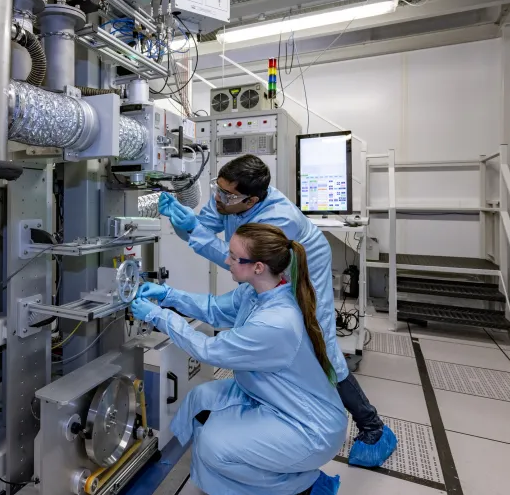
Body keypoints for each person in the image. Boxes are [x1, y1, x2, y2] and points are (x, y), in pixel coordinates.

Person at [157, 155, 396, 468]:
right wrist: (182, 220)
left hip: (304, 269)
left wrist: (196, 234)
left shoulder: (278, 217)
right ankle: (276, 396)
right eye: (218, 189)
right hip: (263, 270)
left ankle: (372, 426)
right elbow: (208, 234)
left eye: (226, 194)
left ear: (252, 199)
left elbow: (232, 258)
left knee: (320, 342)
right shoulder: (229, 198)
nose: (218, 198)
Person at [130, 223, 344, 495]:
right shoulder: (258, 291)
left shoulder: (276, 323)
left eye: (234, 257)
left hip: (309, 426)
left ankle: (302, 486)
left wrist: (158, 316)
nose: (227, 261)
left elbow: (209, 349)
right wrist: (168, 295)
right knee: (200, 398)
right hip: (274, 395)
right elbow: (214, 309)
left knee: (213, 446)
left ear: (258, 267)